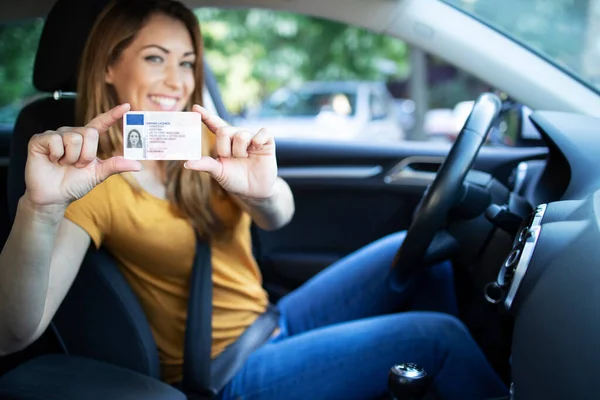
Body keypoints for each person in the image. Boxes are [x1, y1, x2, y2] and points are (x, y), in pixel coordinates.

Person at [0, 0, 509, 399]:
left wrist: (263, 191)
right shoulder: (90, 181)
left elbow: (278, 215)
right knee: (438, 337)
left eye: (187, 62)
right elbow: (15, 334)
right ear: (109, 66)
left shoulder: (196, 138)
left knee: (422, 254)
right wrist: (38, 210)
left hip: (270, 319)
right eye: (155, 58)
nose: (177, 81)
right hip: (228, 371)